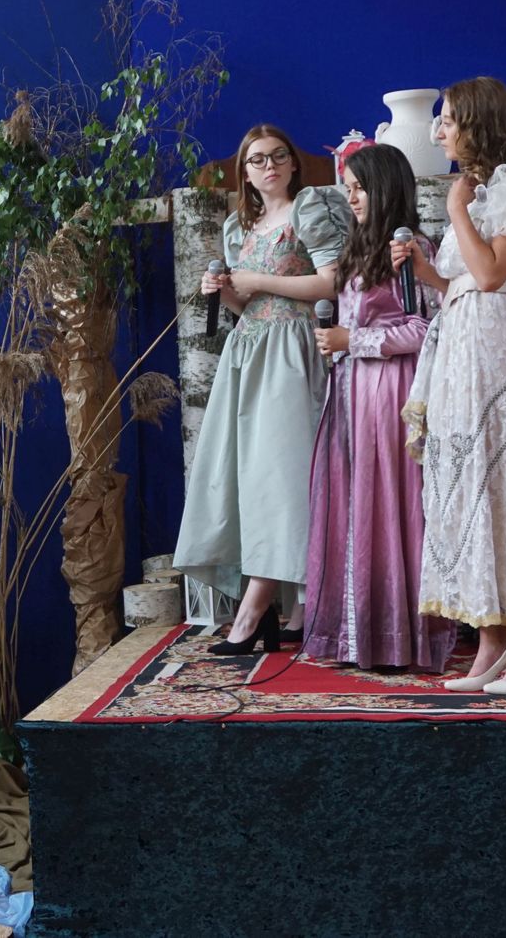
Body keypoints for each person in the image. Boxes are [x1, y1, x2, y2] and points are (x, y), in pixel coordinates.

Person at [394, 76, 506, 695]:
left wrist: (454, 211)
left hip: (498, 347)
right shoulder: (477, 187)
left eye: (447, 119)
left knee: (500, 478)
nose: (439, 130)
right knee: (464, 482)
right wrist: (427, 272)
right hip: (462, 345)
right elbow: (466, 284)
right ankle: (491, 632)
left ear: (478, 122)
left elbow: (493, 275)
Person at [174, 125, 350, 654]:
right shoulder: (239, 226)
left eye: (277, 156)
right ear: (245, 173)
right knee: (250, 478)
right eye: (257, 160)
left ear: (293, 163)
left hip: (292, 350)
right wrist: (225, 291)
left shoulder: (309, 208)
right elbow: (244, 307)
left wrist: (258, 282)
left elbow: (332, 281)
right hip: (248, 351)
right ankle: (291, 611)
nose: (268, 166)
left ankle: (257, 611)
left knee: (282, 477)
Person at [303, 144, 454, 672]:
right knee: (354, 504)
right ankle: (357, 632)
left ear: (386, 187)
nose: (352, 198)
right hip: (350, 390)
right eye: (348, 188)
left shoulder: (412, 247)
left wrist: (356, 340)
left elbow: (426, 327)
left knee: (391, 504)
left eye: (360, 188)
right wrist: (336, 345)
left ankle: (397, 635)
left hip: (392, 390)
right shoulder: (359, 246)